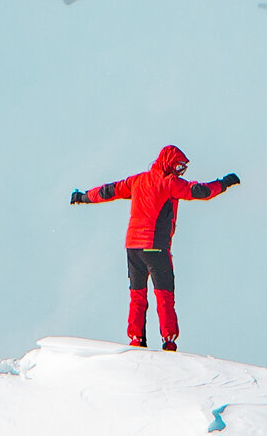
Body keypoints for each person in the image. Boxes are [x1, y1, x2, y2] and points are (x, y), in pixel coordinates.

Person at [70, 145, 240, 351]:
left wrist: (84, 197)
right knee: (164, 295)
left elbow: (109, 191)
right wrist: (224, 183)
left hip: (133, 247)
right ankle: (168, 340)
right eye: (178, 167)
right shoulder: (169, 183)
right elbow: (200, 191)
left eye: (182, 169)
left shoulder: (137, 181)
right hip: (155, 248)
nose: (180, 172)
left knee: (137, 295)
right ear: (168, 163)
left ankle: (136, 339)